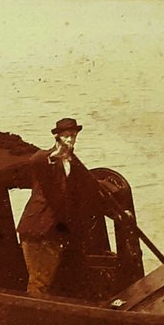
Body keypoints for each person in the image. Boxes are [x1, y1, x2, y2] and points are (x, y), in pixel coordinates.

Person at [16, 117, 101, 296]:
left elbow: (90, 183)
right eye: (66, 136)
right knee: (39, 281)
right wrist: (53, 155)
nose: (70, 140)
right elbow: (35, 160)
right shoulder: (46, 160)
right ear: (58, 138)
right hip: (36, 230)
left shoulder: (72, 162)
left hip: (53, 232)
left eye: (73, 136)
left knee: (46, 281)